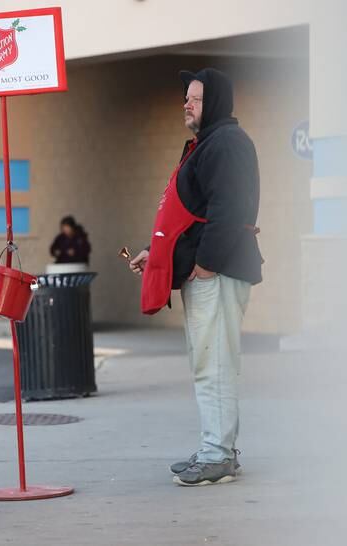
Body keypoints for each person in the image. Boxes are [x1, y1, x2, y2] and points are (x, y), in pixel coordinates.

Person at [129, 68, 262, 486]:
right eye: (186, 96)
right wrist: (159, 254)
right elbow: (195, 216)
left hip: (216, 274)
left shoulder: (225, 143)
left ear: (217, 102)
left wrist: (203, 266)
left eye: (196, 98)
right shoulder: (209, 144)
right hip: (210, 271)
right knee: (211, 363)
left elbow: (228, 211)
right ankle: (217, 449)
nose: (187, 103)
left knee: (214, 364)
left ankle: (217, 454)